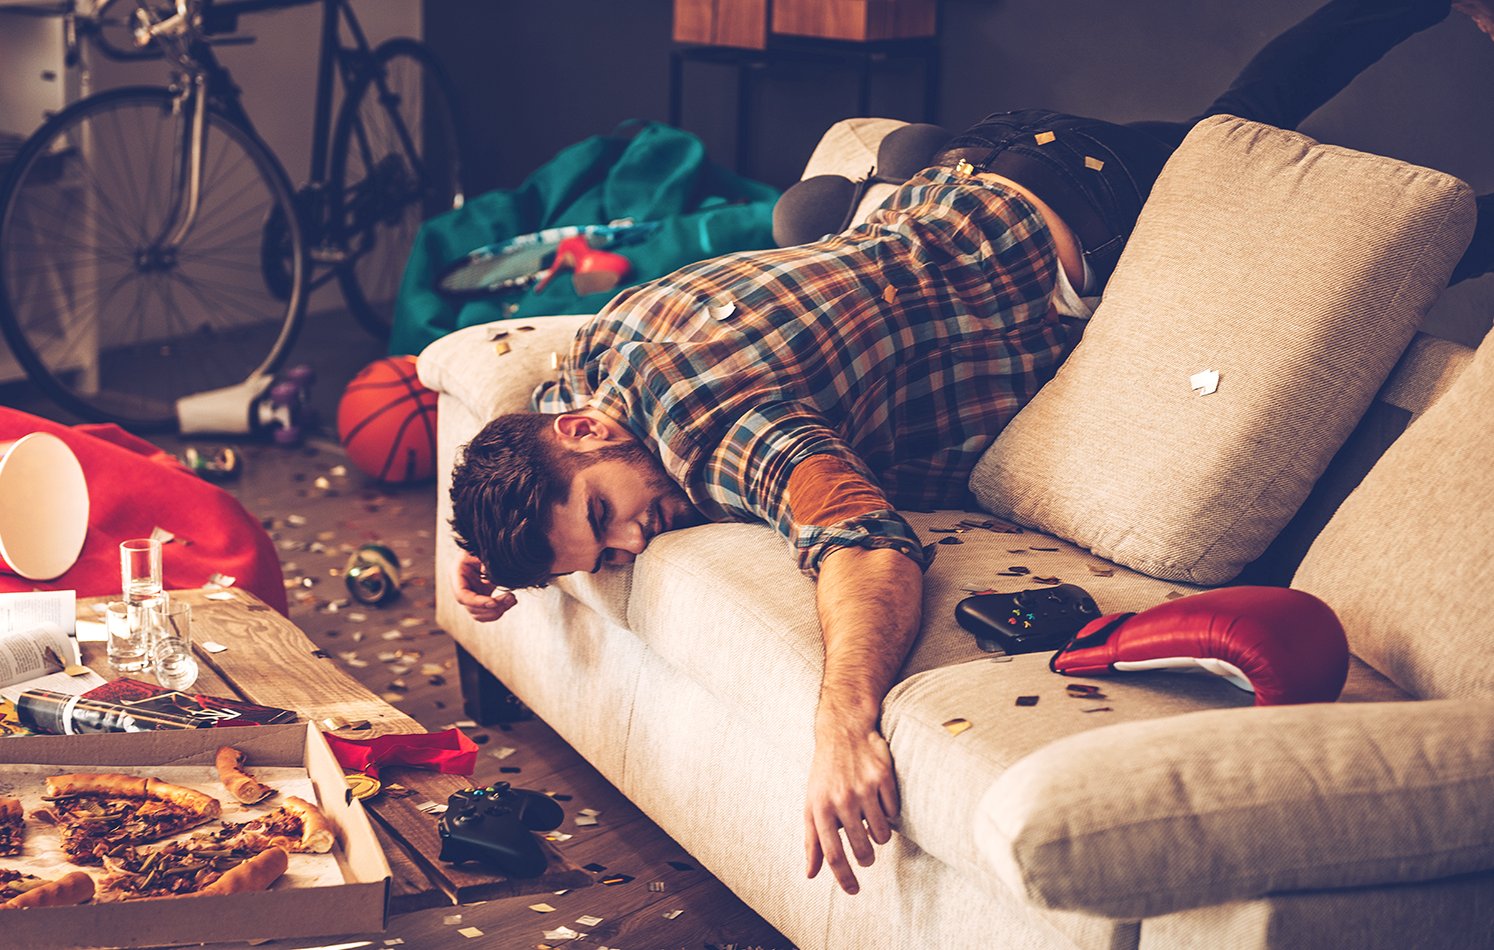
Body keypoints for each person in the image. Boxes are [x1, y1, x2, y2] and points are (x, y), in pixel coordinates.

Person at [446, 0, 1494, 896]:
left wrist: (844, 721)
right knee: (1241, 118)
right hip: (993, 168)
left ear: (588, 437)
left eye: (603, 514)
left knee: (1356, 263)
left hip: (1089, 219)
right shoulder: (602, 352)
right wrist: (505, 551)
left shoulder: (710, 425)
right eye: (610, 551)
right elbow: (534, 413)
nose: (639, 532)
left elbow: (865, 541)